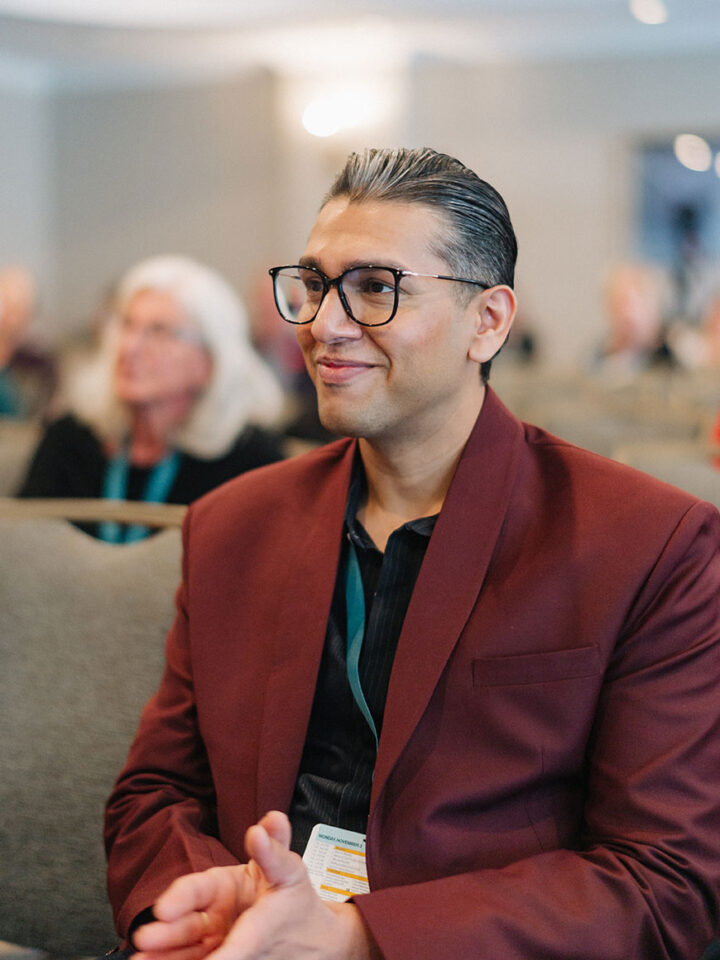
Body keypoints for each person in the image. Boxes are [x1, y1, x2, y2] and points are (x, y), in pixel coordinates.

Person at [104, 148, 720, 959]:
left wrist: (356, 938)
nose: (323, 325)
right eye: (315, 285)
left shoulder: (646, 544)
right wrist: (211, 901)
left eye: (375, 288)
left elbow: (666, 880)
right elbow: (156, 794)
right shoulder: (233, 526)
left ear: (487, 321)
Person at [19, 255, 286, 540]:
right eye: (127, 325)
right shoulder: (69, 440)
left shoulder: (250, 462)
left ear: (209, 362)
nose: (129, 346)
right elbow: (21, 547)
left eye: (159, 331)